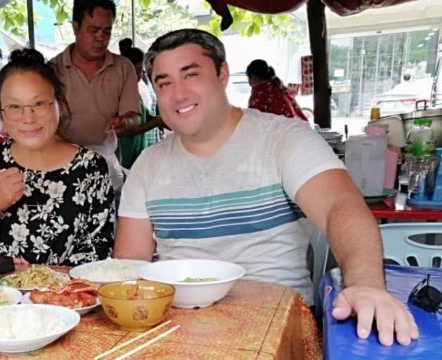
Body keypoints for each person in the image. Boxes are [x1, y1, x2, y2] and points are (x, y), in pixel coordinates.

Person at [113, 29, 418, 347]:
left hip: (278, 328)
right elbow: (131, 263)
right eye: (164, 83)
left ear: (222, 74)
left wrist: (367, 285)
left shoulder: (284, 139)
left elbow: (340, 206)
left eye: (191, 75)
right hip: (174, 332)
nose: (178, 94)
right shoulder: (148, 165)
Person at [0, 48, 115, 266]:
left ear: (59, 104)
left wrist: (41, 279)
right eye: (14, 107)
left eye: (39, 103)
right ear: (1, 113)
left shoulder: (90, 167)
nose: (28, 118)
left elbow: (99, 252)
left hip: (68, 297)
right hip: (2, 297)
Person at [50, 0, 140, 191]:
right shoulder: (52, 70)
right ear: (75, 27)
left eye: (107, 31)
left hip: (106, 171)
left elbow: (134, 118)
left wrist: (124, 122)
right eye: (93, 30)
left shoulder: (123, 68)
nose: (101, 38)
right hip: (59, 171)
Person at [119, 47, 165, 168]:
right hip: (125, 158)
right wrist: (156, 122)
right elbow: (124, 131)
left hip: (138, 156)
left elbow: (144, 117)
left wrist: (161, 119)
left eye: (141, 72)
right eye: (136, 72)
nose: (139, 77)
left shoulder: (134, 92)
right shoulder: (117, 96)